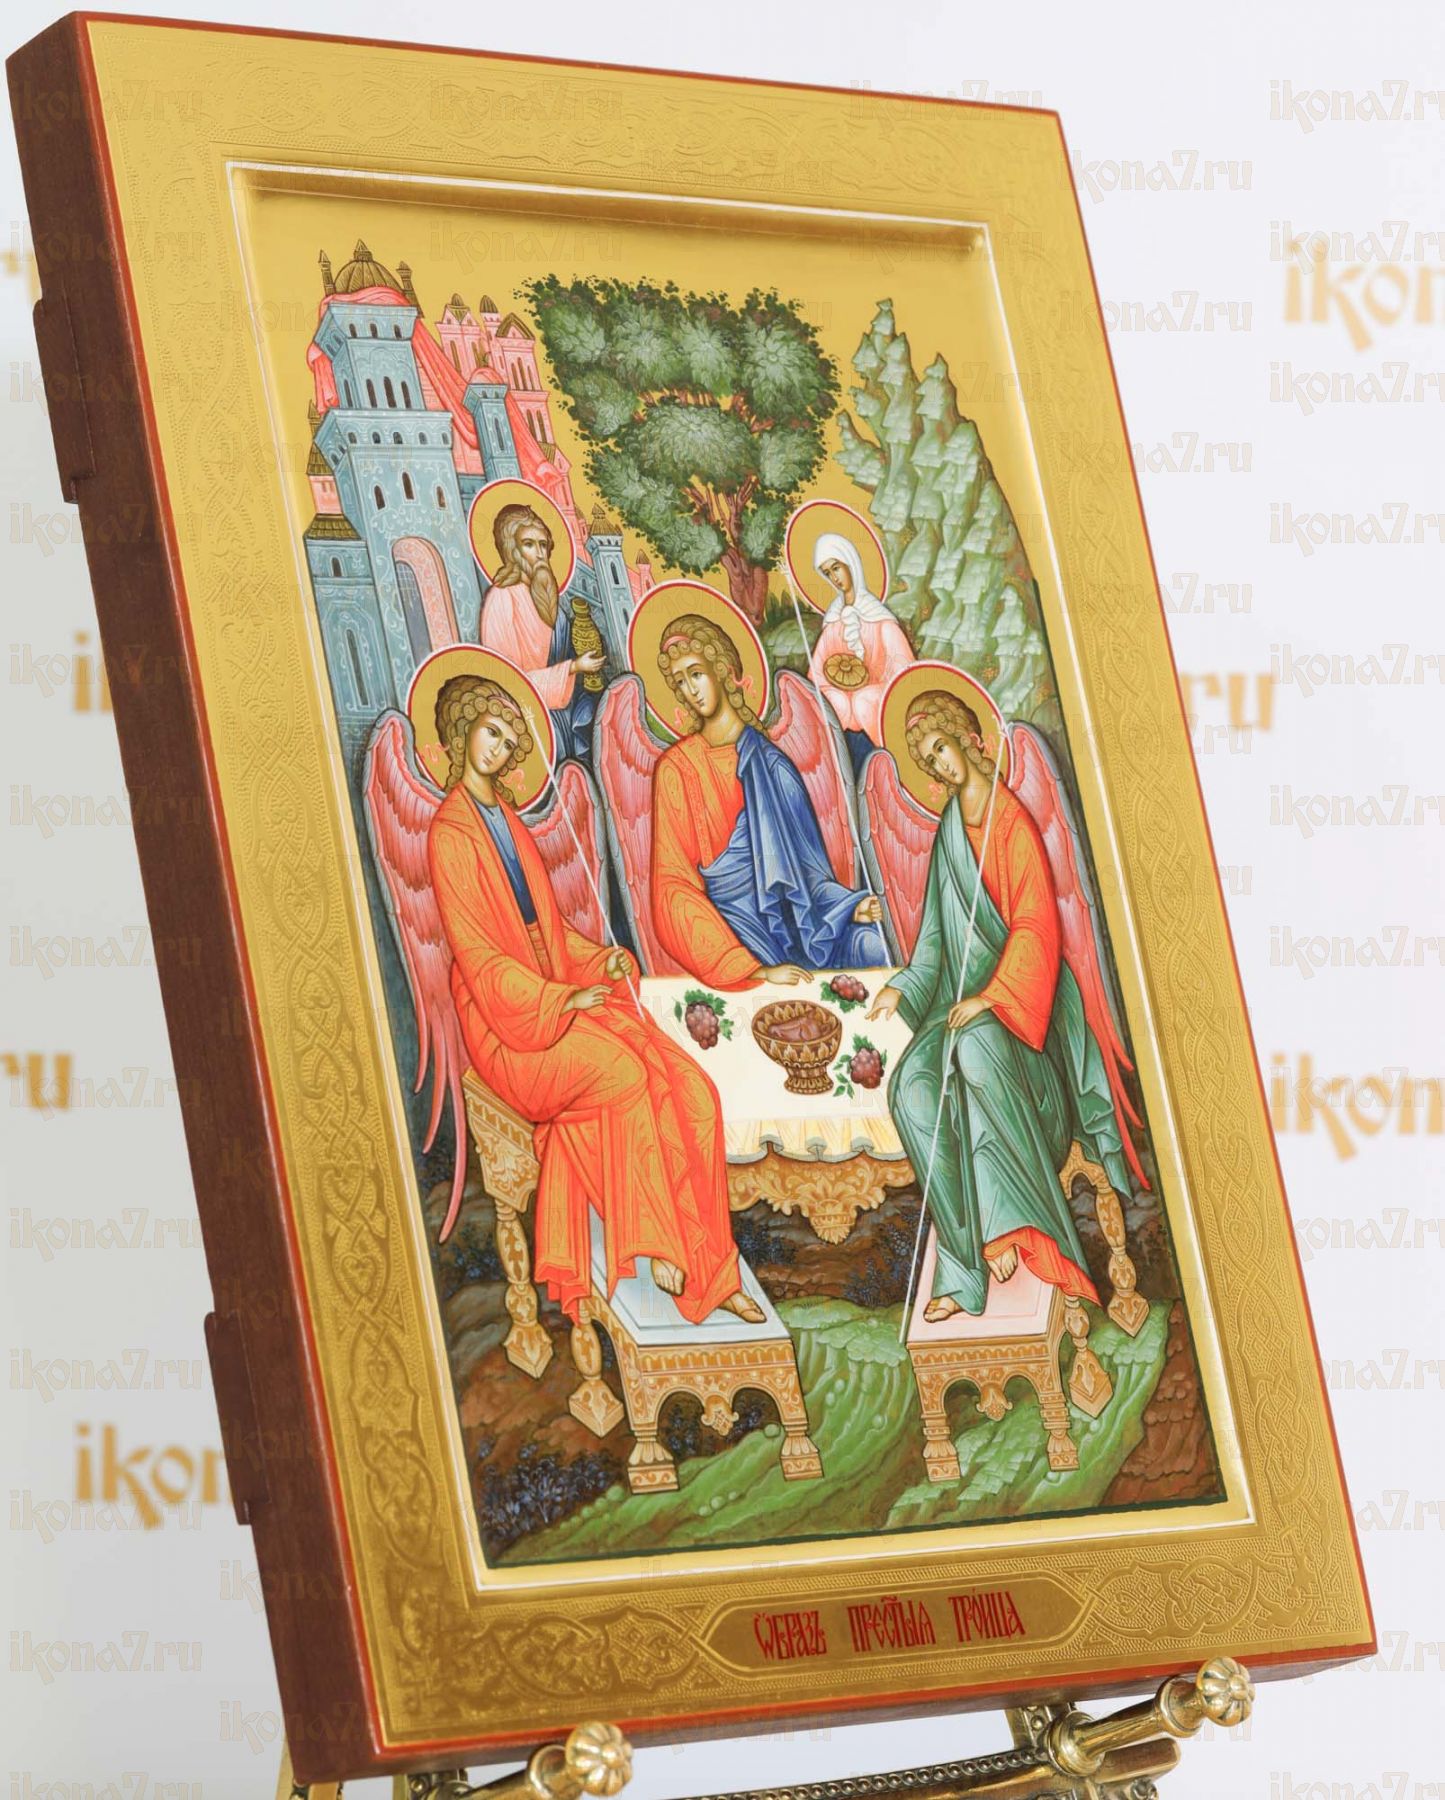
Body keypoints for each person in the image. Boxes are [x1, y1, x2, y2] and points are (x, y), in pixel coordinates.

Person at [427, 668, 764, 1324]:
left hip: (550, 992)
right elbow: (483, 958)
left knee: (692, 1091)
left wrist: (596, 963)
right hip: (507, 1025)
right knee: (624, 1073)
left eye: (508, 740)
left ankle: (715, 1272)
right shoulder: (450, 832)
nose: (497, 748)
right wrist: (559, 1001)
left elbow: (547, 934)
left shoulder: (508, 821)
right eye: (489, 733)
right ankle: (664, 1249)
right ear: (463, 733)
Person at [867, 689, 1129, 1320]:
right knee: (911, 1086)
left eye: (942, 747)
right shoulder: (949, 834)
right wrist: (906, 985)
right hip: (960, 1013)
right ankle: (962, 1267)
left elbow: (1038, 930)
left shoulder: (1012, 825)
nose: (939, 764)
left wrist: (991, 997)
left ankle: (1015, 1229)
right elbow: (935, 940)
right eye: (928, 759)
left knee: (975, 1051)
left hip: (1023, 1034)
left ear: (971, 740)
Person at [650, 612, 887, 990]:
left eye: (696, 673)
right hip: (731, 931)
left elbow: (810, 873)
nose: (691, 690)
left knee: (872, 946)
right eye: (680, 681)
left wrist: (847, 907)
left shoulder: (773, 764)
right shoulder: (676, 769)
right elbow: (672, 887)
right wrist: (746, 968)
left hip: (798, 920)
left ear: (722, 669)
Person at [478, 502, 605, 762]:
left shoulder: (549, 601)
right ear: (513, 550)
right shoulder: (502, 599)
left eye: (543, 545)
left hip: (566, 712)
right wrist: (573, 667)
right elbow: (506, 680)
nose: (539, 554)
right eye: (529, 544)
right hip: (529, 721)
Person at [806, 530, 913, 773]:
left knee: (864, 701)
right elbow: (816, 678)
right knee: (837, 703)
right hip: (844, 731)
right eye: (827, 573)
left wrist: (867, 692)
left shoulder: (881, 621)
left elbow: (903, 677)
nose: (834, 577)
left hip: (874, 720)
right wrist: (839, 695)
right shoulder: (833, 623)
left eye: (837, 567)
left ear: (850, 563)